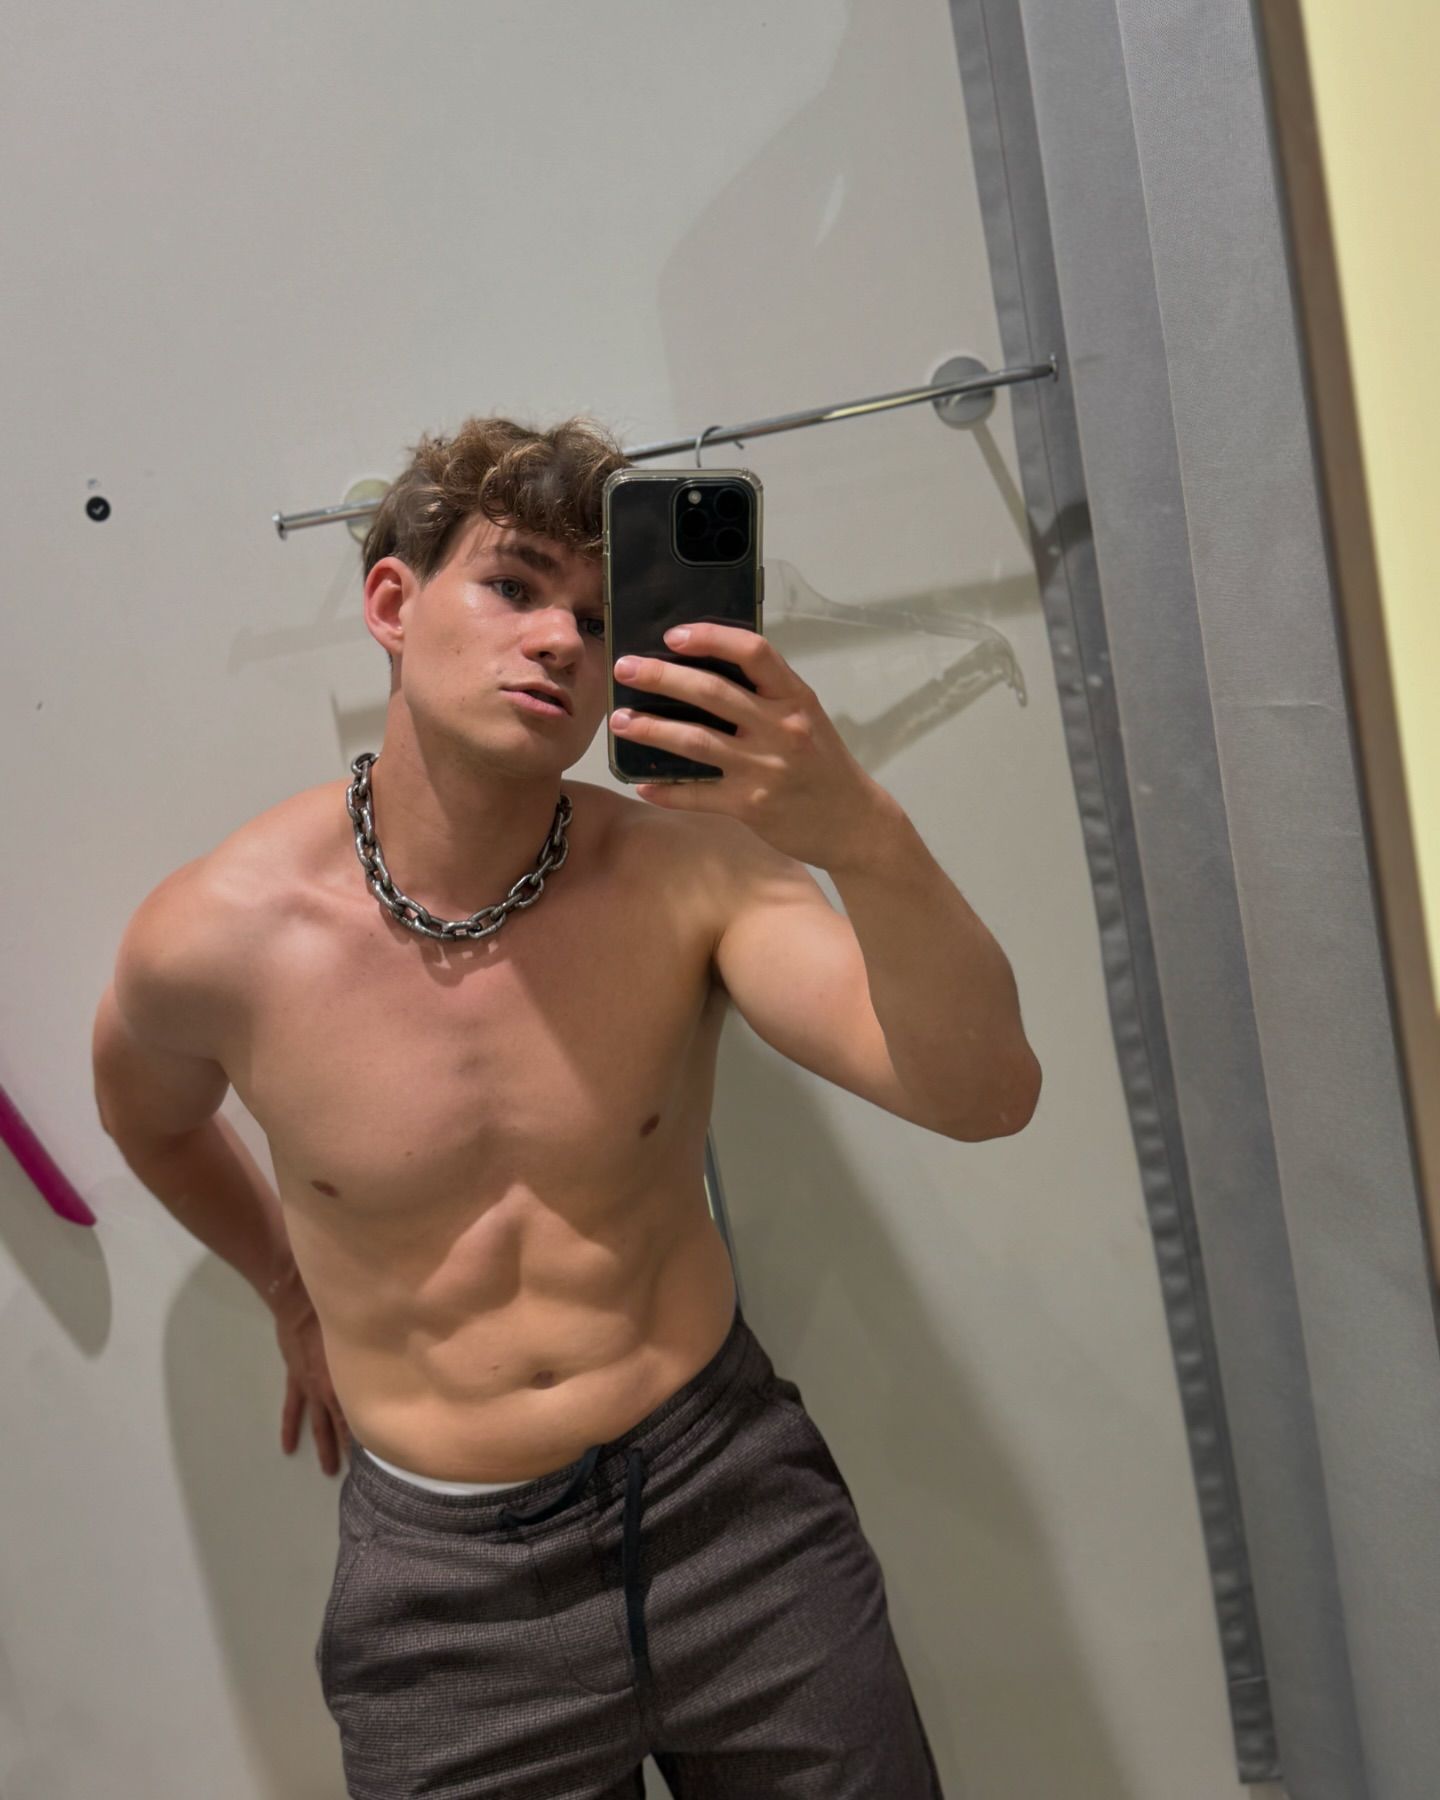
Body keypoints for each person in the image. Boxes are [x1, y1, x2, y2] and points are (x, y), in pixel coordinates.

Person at [91, 414, 1040, 1798]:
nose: (558, 641)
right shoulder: (221, 937)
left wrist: (857, 830)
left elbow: (985, 1095)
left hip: (732, 1510)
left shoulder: (691, 875)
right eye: (513, 586)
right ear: (393, 604)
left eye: (598, 621)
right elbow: (149, 1118)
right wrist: (289, 1291)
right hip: (447, 1593)